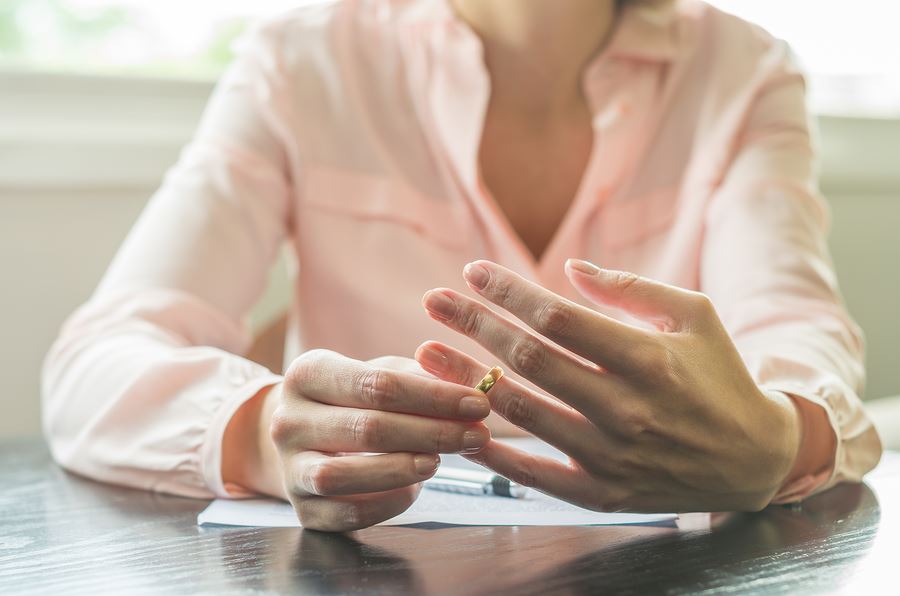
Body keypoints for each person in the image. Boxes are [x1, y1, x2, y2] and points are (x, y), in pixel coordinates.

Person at [42, 0, 882, 532]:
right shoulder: (300, 63)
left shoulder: (744, 73)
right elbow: (97, 364)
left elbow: (797, 334)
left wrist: (777, 439)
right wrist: (268, 434)